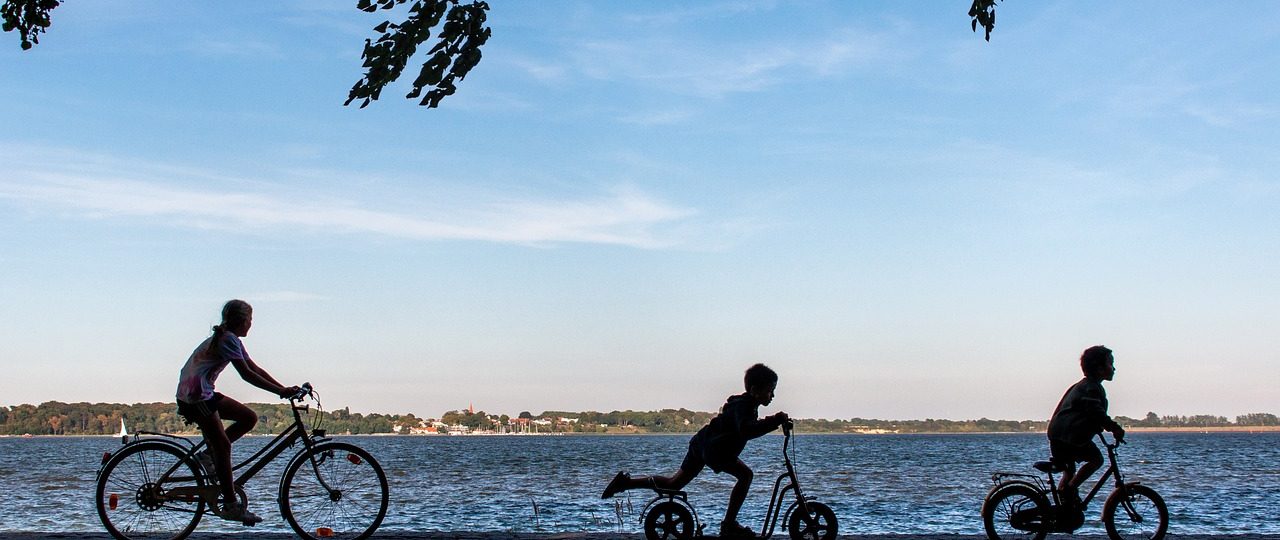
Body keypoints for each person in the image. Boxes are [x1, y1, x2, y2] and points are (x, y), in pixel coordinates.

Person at [601, 363, 789, 538]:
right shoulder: (743, 406)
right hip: (714, 449)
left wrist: (774, 421)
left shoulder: (746, 404)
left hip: (702, 443)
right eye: (770, 391)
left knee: (673, 484)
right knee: (746, 475)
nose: (772, 396)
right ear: (755, 390)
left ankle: (626, 483)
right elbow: (747, 430)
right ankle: (729, 525)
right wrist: (774, 421)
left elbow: (748, 427)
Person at [175, 299, 300, 524]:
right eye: (250, 319)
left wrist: (283, 389)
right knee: (223, 446)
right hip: (195, 395)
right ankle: (232, 505)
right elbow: (247, 375)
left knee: (248, 417)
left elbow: (254, 367)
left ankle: (207, 455)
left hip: (202, 392)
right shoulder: (227, 338)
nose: (251, 324)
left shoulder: (231, 338)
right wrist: (279, 392)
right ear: (242, 320)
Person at [1046, 345, 1125, 508]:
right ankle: (1069, 491)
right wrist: (1114, 428)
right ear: (1099, 368)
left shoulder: (1083, 385)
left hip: (1059, 436)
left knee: (1069, 471)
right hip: (1068, 438)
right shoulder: (1091, 388)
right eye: (1110, 363)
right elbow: (1096, 412)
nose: (1114, 368)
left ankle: (1065, 506)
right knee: (1096, 459)